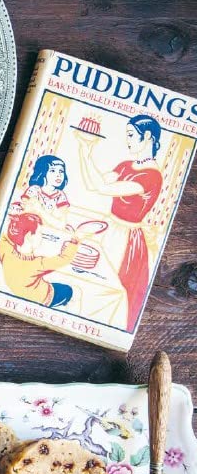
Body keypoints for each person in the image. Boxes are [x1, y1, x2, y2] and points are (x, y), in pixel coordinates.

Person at [75, 114, 163, 332]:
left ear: (148, 136)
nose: (128, 140)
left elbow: (102, 188)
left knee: (110, 286)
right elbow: (91, 183)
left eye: (131, 135)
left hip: (126, 238)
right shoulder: (125, 165)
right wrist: (83, 148)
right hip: (108, 229)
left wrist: (86, 149)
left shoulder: (152, 176)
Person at [0, 212, 78, 308]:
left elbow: (4, 236)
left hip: (16, 290)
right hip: (41, 297)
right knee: (68, 290)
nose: (42, 236)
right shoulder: (38, 264)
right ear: (29, 236)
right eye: (40, 233)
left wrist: (19, 223)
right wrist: (74, 242)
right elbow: (64, 258)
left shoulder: (6, 250)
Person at [20, 155, 71, 224]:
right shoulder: (34, 190)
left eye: (61, 171)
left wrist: (40, 210)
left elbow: (61, 224)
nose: (58, 175)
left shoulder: (61, 196)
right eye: (53, 170)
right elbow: (25, 213)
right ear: (43, 173)